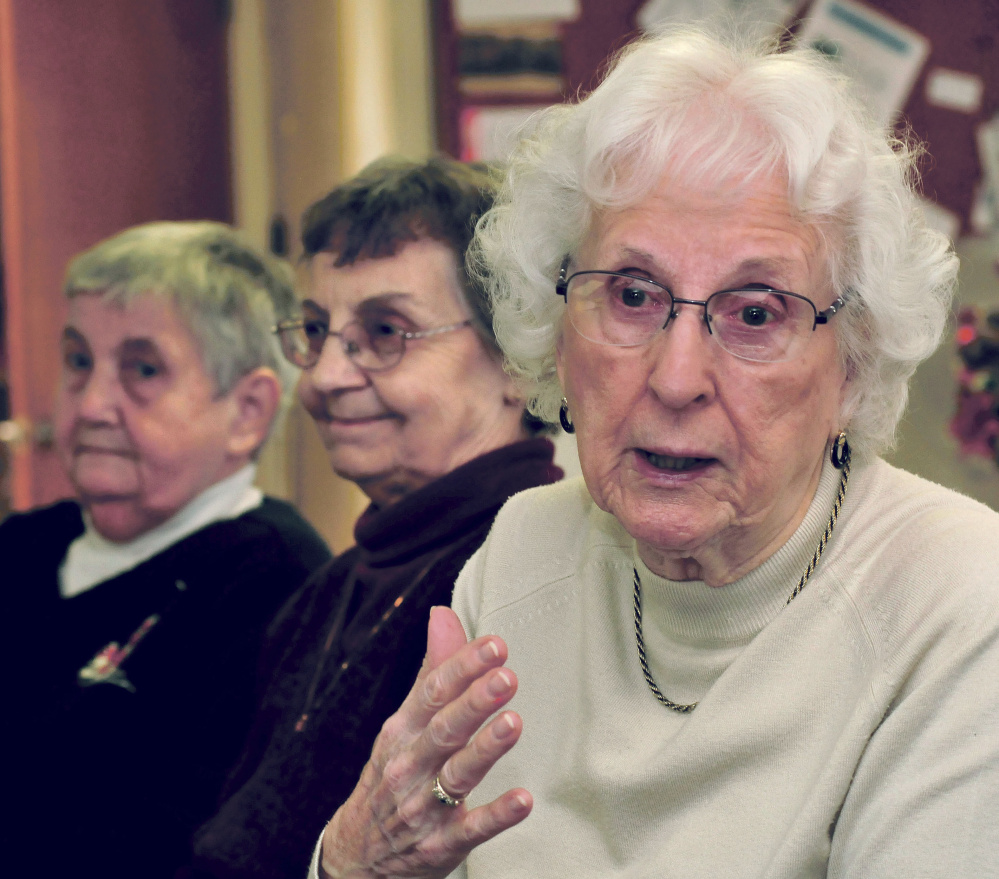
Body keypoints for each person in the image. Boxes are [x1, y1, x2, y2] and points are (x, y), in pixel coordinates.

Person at [311, 27, 999, 879]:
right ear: (558, 328)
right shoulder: (521, 554)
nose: (675, 379)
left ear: (851, 365)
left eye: (755, 312)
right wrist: (351, 863)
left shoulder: (960, 604)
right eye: (632, 295)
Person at [184, 156, 562, 878]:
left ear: (518, 356)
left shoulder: (529, 571)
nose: (324, 376)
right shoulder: (329, 588)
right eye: (317, 331)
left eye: (386, 330)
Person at [0, 222, 331, 877]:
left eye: (142, 369)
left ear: (247, 411)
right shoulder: (23, 546)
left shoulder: (276, 585)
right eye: (78, 361)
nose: (92, 403)